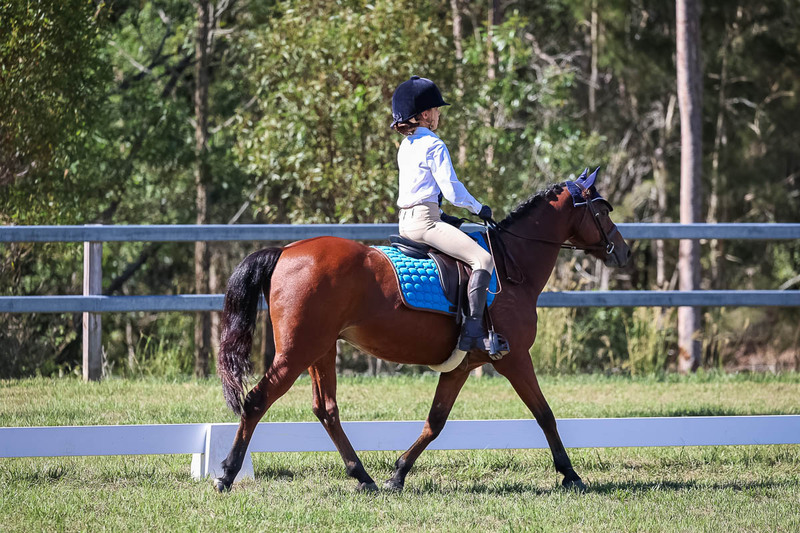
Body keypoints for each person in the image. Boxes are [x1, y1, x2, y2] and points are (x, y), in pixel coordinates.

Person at [390, 75, 496, 353]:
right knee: (483, 259)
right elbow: (452, 191)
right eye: (436, 109)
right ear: (425, 114)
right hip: (425, 224)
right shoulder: (434, 144)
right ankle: (473, 333)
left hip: (405, 222)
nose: (438, 114)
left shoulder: (406, 146)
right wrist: (479, 208)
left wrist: (444, 216)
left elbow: (421, 190)